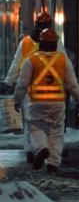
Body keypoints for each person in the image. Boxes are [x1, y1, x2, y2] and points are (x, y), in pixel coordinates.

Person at [13, 28, 79, 173]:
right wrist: (78, 99)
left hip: (36, 103)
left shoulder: (31, 60)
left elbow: (22, 84)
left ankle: (41, 149)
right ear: (56, 43)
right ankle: (53, 163)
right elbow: (72, 84)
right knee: (56, 133)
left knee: (34, 128)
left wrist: (17, 100)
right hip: (57, 103)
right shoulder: (63, 60)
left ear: (41, 43)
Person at [1, 11, 65, 164]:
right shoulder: (56, 42)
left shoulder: (26, 42)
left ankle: (31, 151)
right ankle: (49, 155)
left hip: (30, 89)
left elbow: (16, 64)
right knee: (51, 125)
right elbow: (63, 63)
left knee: (30, 122)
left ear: (36, 25)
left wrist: (8, 83)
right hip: (52, 89)